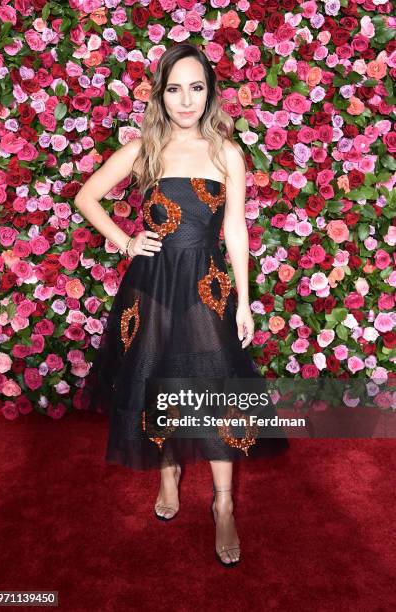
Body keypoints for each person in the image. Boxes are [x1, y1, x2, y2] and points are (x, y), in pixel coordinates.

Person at [74, 43, 289, 567]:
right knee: (157, 380)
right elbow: (86, 196)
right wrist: (126, 242)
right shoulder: (144, 148)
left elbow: (235, 229)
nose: (186, 100)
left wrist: (244, 300)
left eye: (196, 87)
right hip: (151, 285)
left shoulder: (226, 152)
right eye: (175, 88)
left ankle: (222, 503)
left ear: (209, 91)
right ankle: (167, 477)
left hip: (208, 287)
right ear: (161, 94)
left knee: (215, 390)